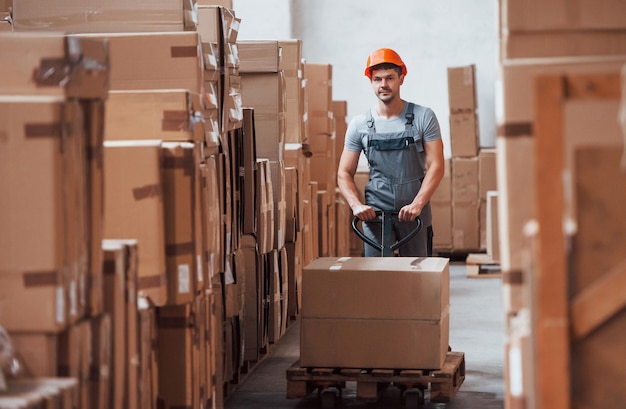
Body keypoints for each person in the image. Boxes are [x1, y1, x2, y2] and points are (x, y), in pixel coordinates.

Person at [337, 48, 445, 257]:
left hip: (414, 210)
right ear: (371, 82)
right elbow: (343, 173)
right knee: (377, 275)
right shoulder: (360, 125)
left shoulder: (424, 116)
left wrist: (418, 204)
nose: (383, 85)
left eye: (389, 78)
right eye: (377, 79)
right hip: (375, 213)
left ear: (401, 79)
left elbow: (437, 166)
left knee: (417, 273)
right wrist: (356, 205)